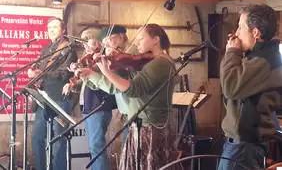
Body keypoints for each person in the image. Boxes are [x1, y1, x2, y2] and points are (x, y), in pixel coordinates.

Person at [77, 23, 178, 169]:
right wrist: (91, 74)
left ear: (156, 40)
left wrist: (106, 71)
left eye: (141, 38)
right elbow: (116, 86)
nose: (137, 42)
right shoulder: (147, 62)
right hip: (139, 125)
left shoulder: (161, 63)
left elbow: (133, 89)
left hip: (149, 129)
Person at [218, 4, 282, 170]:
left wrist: (232, 52)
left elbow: (230, 86)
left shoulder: (263, 61)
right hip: (242, 145)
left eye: (240, 27)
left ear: (255, 33)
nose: (237, 33)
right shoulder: (259, 57)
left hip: (244, 147)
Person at [62, 28, 117, 170]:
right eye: (84, 43)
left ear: (99, 42)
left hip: (99, 106)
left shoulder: (105, 58)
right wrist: (73, 83)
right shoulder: (90, 59)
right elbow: (85, 80)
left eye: (89, 42)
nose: (85, 46)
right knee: (94, 147)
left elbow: (100, 82)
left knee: (97, 148)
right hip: (89, 106)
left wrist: (85, 71)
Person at [27, 17, 77, 170]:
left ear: (63, 30)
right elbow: (42, 71)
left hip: (60, 99)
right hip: (44, 98)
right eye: (49, 27)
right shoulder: (46, 49)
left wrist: (42, 73)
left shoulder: (68, 48)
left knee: (59, 140)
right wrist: (34, 73)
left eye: (55, 27)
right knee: (37, 139)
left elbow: (64, 74)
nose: (51, 30)